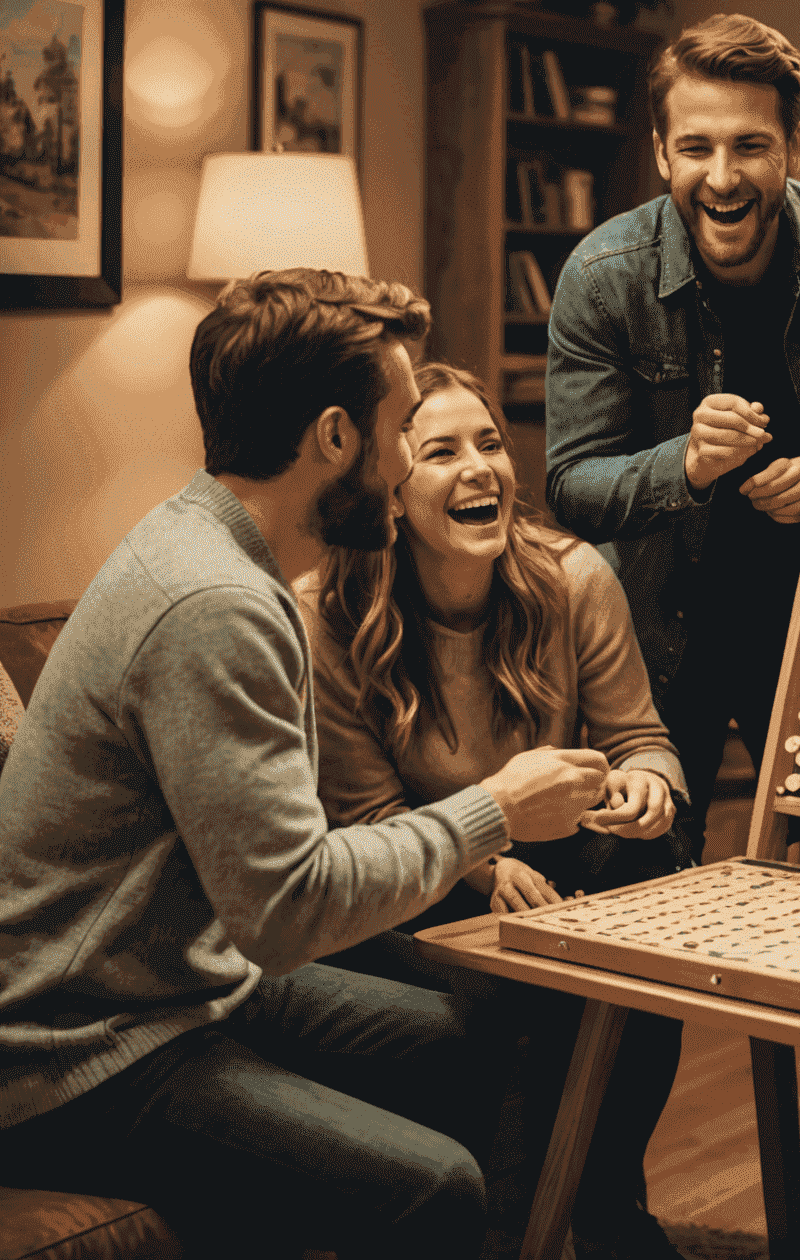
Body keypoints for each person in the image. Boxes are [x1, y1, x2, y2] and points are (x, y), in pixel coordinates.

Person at [0, 270, 610, 1259]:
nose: (415, 456)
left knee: (482, 1031)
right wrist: (491, 812)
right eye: (407, 425)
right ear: (337, 438)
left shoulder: (220, 553)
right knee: (437, 1189)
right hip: (74, 1047)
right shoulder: (215, 604)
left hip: (175, 981)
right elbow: (287, 914)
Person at [300, 360, 692, 1260]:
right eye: (440, 452)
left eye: (489, 443)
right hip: (414, 880)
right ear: (393, 490)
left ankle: (600, 1205)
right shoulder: (330, 610)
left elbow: (640, 736)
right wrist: (486, 863)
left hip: (561, 858)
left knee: (653, 876)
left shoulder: (573, 575)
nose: (480, 467)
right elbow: (364, 818)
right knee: (530, 975)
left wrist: (650, 788)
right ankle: (515, 1220)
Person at [545, 12, 800, 861]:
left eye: (750, 146)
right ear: (662, 152)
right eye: (697, 148)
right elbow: (572, 487)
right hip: (661, 636)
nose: (722, 177)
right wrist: (687, 465)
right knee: (644, 870)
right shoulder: (604, 277)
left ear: (794, 146)